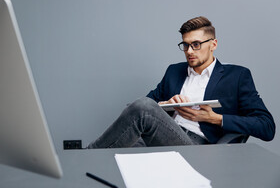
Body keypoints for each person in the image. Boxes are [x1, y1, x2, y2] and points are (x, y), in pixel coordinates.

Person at [88, 16, 275, 148]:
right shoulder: (174, 71)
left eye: (196, 44)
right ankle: (88, 163)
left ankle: (86, 157)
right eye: (185, 45)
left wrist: (214, 118)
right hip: (158, 137)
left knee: (143, 109)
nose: (190, 51)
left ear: (213, 44)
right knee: (116, 155)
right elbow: (137, 110)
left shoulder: (237, 76)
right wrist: (166, 106)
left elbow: (266, 127)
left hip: (197, 146)